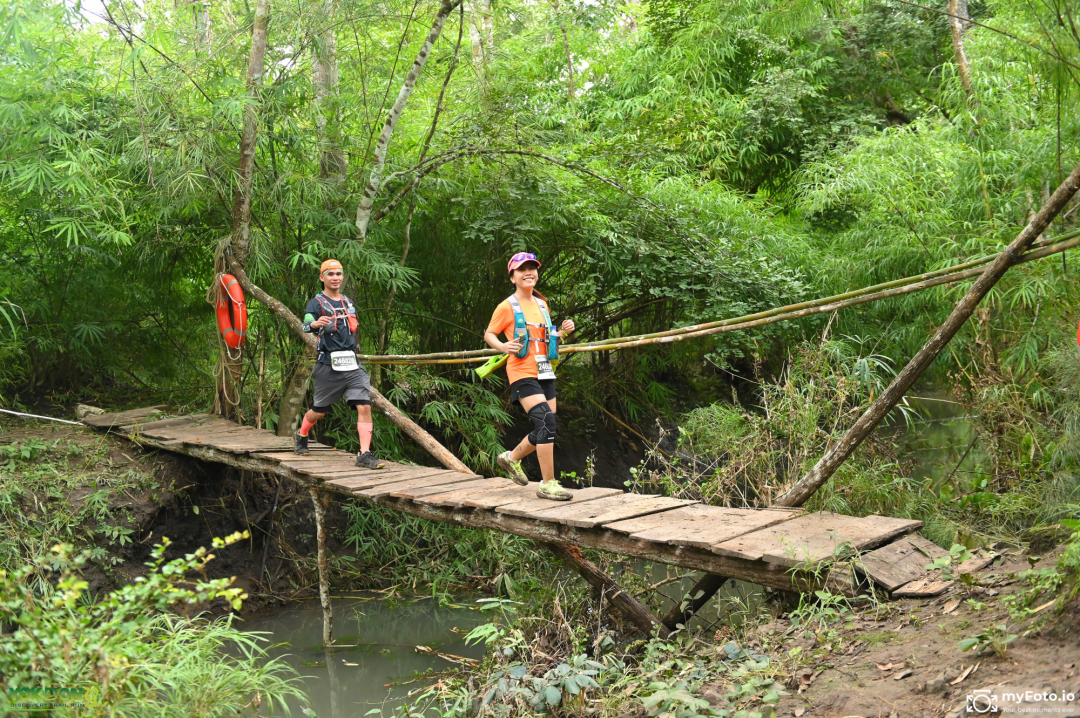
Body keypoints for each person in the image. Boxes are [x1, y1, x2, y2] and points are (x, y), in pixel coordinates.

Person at [484, 252, 575, 500]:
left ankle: (511, 458)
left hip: (544, 370)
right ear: (512, 277)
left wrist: (563, 332)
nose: (528, 273)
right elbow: (489, 334)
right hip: (522, 372)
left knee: (548, 426)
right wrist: (503, 346)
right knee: (546, 422)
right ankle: (548, 484)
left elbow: (546, 338)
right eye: (522, 269)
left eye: (532, 268)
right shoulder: (506, 306)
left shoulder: (542, 304)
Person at [294, 259, 385, 470]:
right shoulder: (316, 303)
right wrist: (314, 324)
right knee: (319, 411)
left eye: (339, 274)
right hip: (328, 364)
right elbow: (305, 325)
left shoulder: (348, 302)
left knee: (364, 405)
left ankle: (364, 454)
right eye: (330, 274)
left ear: (343, 276)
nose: (335, 278)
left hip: (352, 363)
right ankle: (302, 434)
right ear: (322, 277)